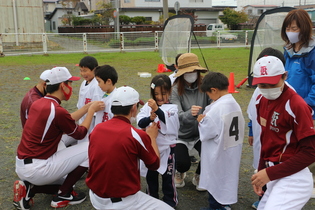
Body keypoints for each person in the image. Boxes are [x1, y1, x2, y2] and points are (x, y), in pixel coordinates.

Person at [13, 67, 105, 209]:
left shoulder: (39, 102)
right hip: (38, 167)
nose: (70, 88)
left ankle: (30, 188)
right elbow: (80, 133)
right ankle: (63, 194)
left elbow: (65, 120)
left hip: (23, 163)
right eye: (69, 84)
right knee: (91, 146)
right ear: (62, 85)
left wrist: (86, 108)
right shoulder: (56, 110)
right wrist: (91, 111)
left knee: (64, 177)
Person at [86, 86, 173, 210]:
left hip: (96, 196)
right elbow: (154, 165)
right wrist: (152, 138)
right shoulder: (136, 134)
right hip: (123, 202)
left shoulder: (97, 129)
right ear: (133, 108)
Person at [250, 56, 315, 209]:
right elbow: (265, 141)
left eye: (271, 83)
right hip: (273, 172)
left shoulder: (296, 104)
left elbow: (311, 152)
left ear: (285, 76)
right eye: (261, 84)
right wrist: (261, 174)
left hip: (294, 177)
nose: (267, 89)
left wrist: (269, 174)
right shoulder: (260, 100)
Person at [197, 72, 244, 210]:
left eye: (208, 94)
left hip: (218, 151)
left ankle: (216, 207)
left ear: (214, 90)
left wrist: (201, 121)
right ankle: (223, 204)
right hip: (231, 148)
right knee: (226, 178)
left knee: (215, 179)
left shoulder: (217, 109)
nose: (209, 97)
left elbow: (206, 132)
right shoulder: (233, 103)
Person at [247, 47, 287, 209]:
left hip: (281, 145)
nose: (266, 88)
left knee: (278, 170)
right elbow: (252, 113)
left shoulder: (292, 98)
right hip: (261, 139)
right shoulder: (258, 90)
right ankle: (263, 197)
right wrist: (251, 130)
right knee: (262, 166)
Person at [281, 8, 315, 198]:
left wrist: (308, 105)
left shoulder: (312, 51)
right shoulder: (287, 50)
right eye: (287, 27)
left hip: (308, 109)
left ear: (304, 28)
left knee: (309, 147)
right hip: (290, 108)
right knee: (291, 145)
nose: (290, 31)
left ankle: (311, 182)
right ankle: (293, 180)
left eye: (294, 27)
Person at [137, 75, 179, 208]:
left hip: (167, 149)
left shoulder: (173, 108)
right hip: (151, 148)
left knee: (168, 178)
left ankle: (170, 201)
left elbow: (168, 122)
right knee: (151, 177)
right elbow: (140, 122)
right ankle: (151, 199)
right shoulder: (147, 108)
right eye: (156, 94)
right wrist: (150, 118)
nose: (160, 97)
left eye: (164, 93)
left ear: (170, 91)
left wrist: (156, 109)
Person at [170, 52, 210, 191]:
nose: (191, 74)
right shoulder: (174, 90)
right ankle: (179, 171)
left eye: (194, 71)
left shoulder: (205, 86)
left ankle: (199, 174)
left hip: (201, 133)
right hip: (180, 136)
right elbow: (176, 115)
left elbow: (213, 105)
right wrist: (190, 114)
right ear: (181, 73)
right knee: (183, 163)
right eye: (188, 71)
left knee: (210, 154)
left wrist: (208, 115)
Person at [76, 56, 104, 142]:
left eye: (85, 71)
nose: (82, 73)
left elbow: (98, 109)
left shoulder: (96, 85)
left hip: (92, 122)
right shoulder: (84, 82)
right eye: (81, 70)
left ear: (94, 70)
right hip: (83, 121)